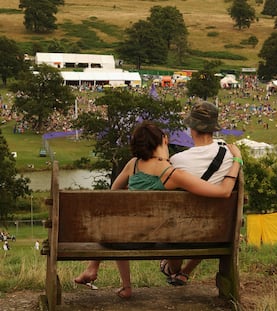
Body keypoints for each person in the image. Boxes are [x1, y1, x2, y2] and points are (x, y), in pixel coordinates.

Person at [74, 121, 243, 299]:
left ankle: (121, 283)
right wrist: (237, 160)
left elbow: (112, 197)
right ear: (164, 140)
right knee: (124, 228)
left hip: (123, 238)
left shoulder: (133, 165)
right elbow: (223, 191)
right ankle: (101, 271)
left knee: (118, 226)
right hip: (153, 239)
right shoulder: (173, 174)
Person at [160, 101, 237, 287]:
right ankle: (182, 272)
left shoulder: (178, 160)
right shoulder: (230, 156)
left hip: (181, 233)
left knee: (178, 223)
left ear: (192, 128)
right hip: (217, 231)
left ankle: (173, 269)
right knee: (209, 219)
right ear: (214, 128)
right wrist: (238, 158)